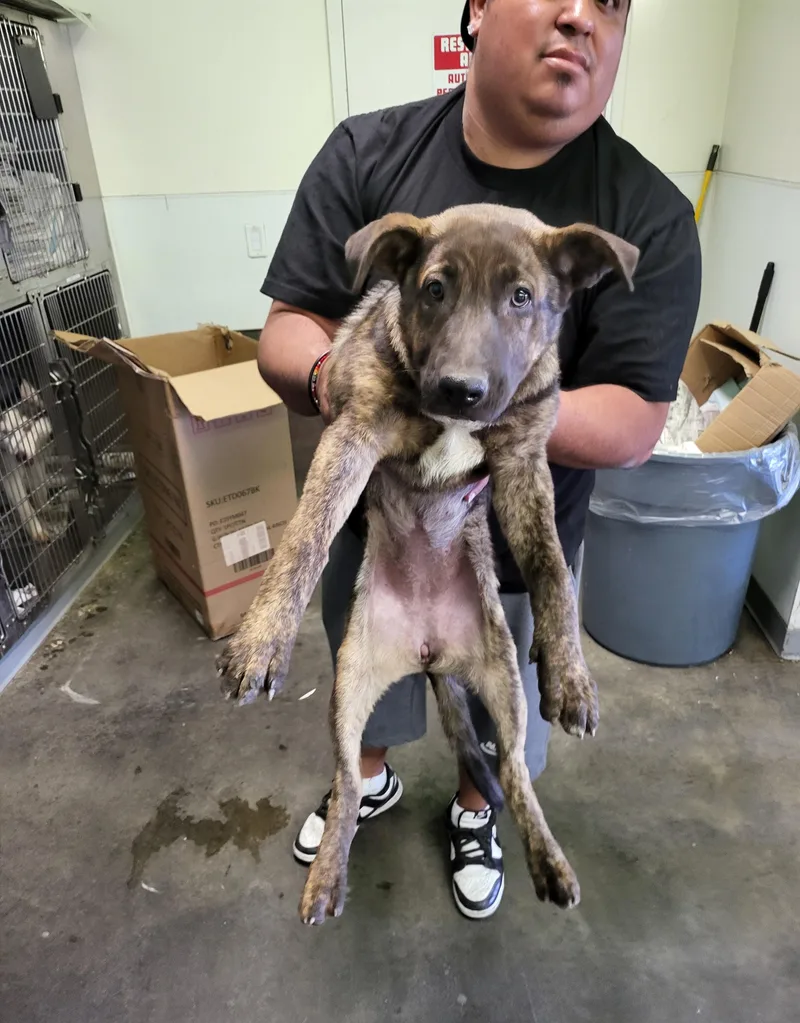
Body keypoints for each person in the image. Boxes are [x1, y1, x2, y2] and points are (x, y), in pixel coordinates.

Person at [256, 0, 701, 920]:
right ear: (477, 9)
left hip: (516, 542)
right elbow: (288, 330)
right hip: (378, 521)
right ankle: (361, 778)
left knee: (503, 708)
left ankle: (475, 808)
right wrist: (347, 382)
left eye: (611, 2)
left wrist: (512, 413)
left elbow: (633, 422)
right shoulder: (367, 153)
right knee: (361, 675)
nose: (580, 17)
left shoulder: (646, 214)